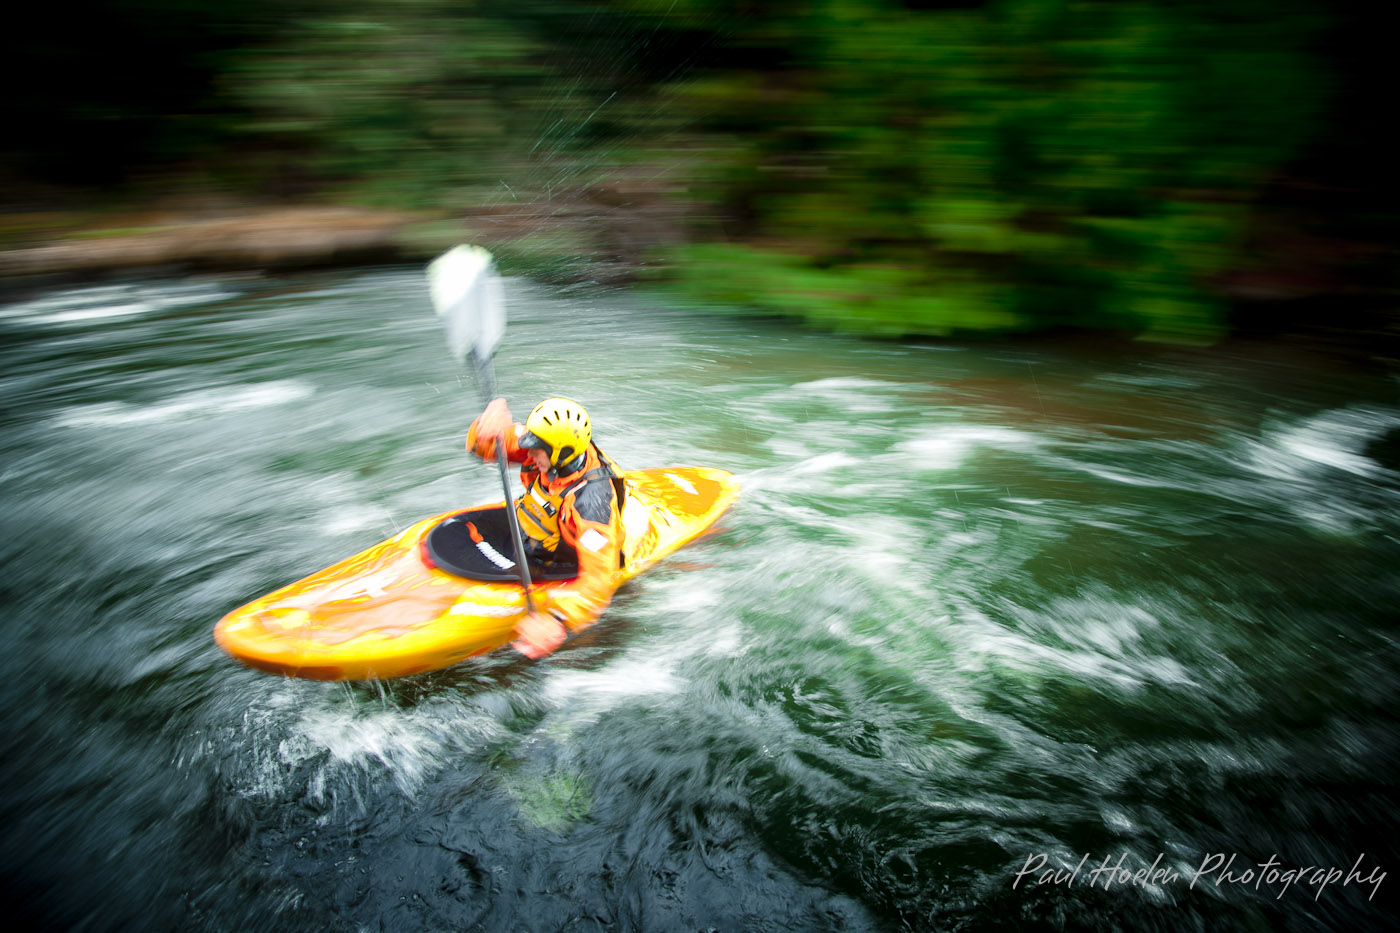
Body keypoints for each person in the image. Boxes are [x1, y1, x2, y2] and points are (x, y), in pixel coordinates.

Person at [465, 396, 626, 659]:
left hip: (564, 562)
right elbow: (484, 449)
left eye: (535, 450)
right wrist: (486, 429)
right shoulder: (550, 447)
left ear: (560, 453)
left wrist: (559, 621)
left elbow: (597, 581)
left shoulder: (591, 505)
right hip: (531, 539)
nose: (527, 454)